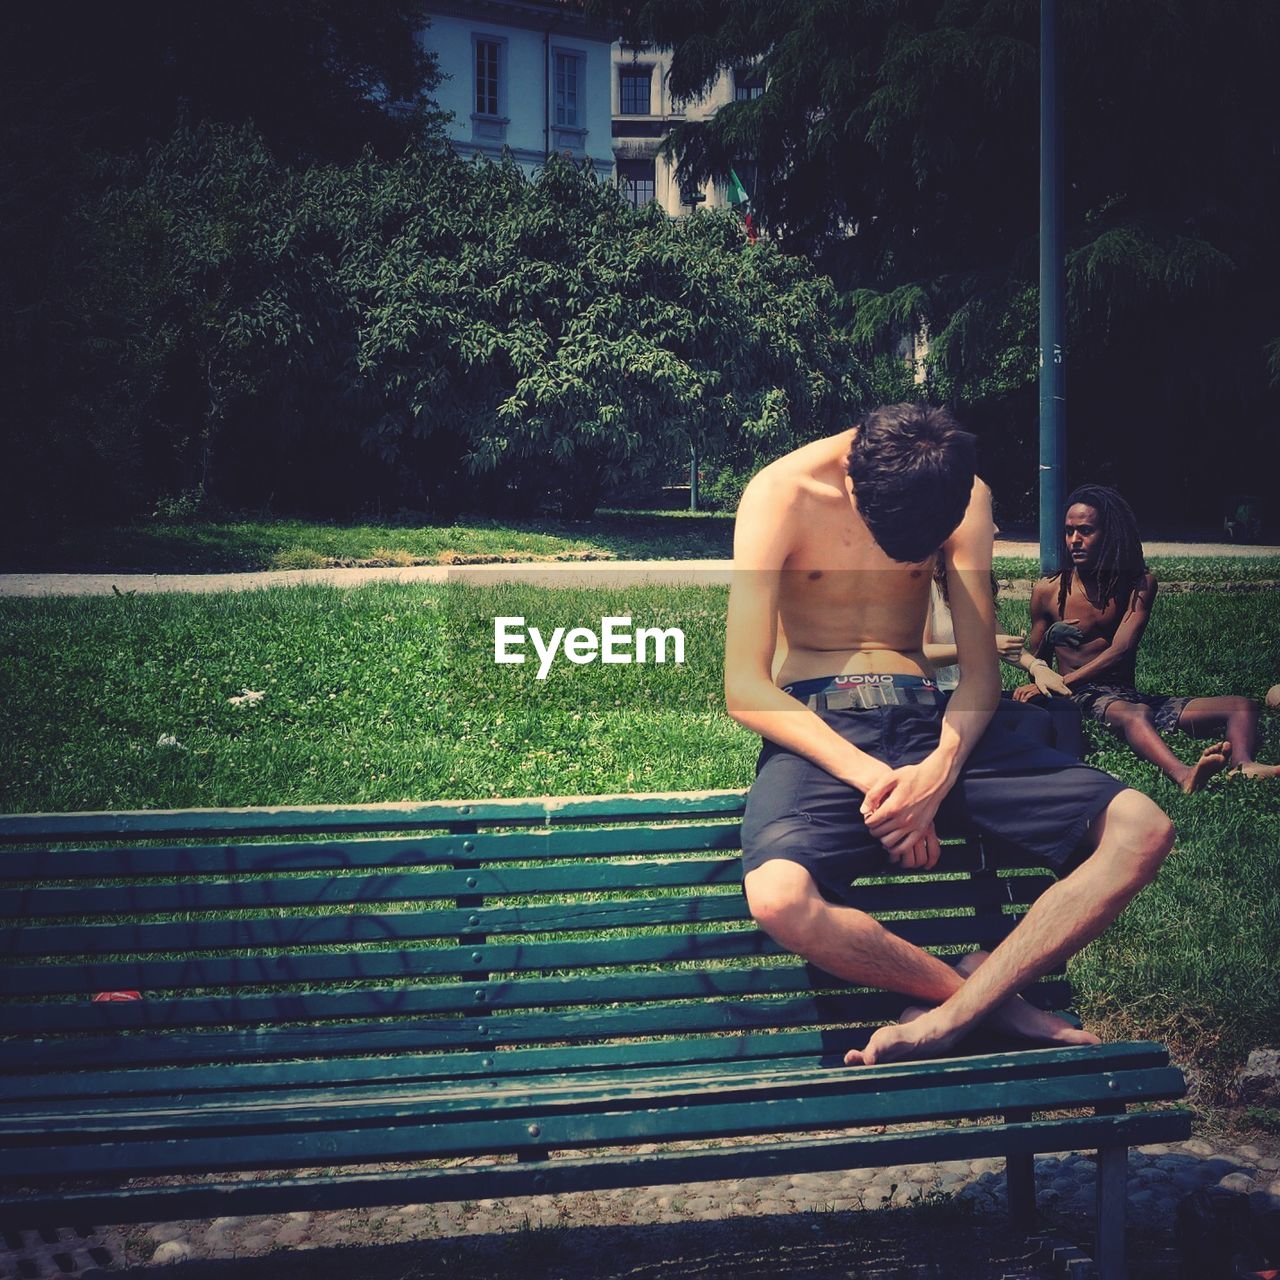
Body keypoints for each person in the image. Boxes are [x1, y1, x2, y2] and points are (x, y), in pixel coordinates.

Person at [725, 405, 1175, 1067]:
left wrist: (936, 775)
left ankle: (950, 1019)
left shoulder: (955, 489)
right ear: (859, 489)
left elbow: (979, 674)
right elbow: (745, 686)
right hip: (823, 725)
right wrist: (885, 786)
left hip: (932, 723)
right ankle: (992, 1001)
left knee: (1143, 828)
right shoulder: (782, 493)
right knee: (778, 898)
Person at [1017, 484, 1279, 792]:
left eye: (1086, 531)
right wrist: (1049, 643)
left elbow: (1122, 649)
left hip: (1125, 693)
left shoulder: (1138, 584)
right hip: (1080, 695)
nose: (1075, 540)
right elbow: (1037, 661)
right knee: (1137, 714)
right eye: (1069, 531)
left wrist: (1060, 680)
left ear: (1109, 533)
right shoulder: (1048, 590)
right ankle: (1184, 775)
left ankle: (1243, 765)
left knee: (1241, 705)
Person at [926, 564, 1085, 759]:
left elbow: (1003, 642)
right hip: (941, 695)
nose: (996, 532)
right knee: (1034, 717)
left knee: (1063, 708)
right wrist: (982, 647)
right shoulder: (926, 587)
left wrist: (1037, 668)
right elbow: (922, 653)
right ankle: (1023, 778)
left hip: (977, 693)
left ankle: (1071, 773)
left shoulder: (974, 582)